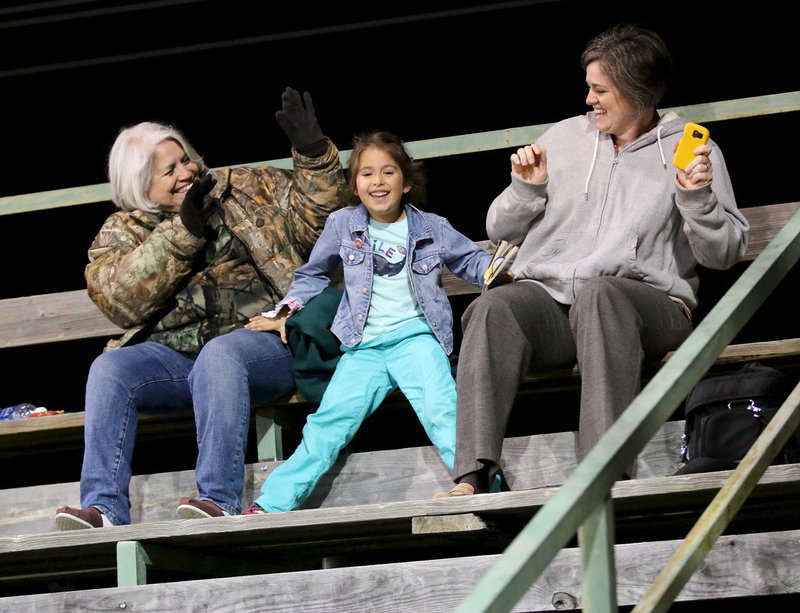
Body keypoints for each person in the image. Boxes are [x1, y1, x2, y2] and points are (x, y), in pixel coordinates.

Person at [436, 23, 749, 497]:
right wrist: (527, 189)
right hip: (558, 306)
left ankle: (601, 469)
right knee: (492, 307)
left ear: (635, 92)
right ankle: (474, 475)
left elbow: (723, 254)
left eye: (600, 90)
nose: (589, 100)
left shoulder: (689, 148)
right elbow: (498, 228)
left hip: (649, 308)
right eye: (589, 87)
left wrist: (696, 196)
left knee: (602, 295)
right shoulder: (564, 139)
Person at [55, 88, 347, 529]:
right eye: (168, 171)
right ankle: (105, 508)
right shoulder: (123, 230)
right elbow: (119, 300)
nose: (186, 172)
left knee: (222, 353)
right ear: (141, 188)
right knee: (110, 369)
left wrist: (312, 153)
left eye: (185, 160)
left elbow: (322, 222)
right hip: (179, 360)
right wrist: (184, 230)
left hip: (269, 344)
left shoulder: (244, 188)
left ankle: (219, 498)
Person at [242, 131, 498, 514]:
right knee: (327, 424)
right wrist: (284, 311)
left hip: (416, 338)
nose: (377, 182)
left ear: (406, 181)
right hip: (363, 348)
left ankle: (478, 484)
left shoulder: (431, 226)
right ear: (355, 184)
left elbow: (474, 263)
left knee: (442, 407)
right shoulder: (342, 224)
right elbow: (313, 275)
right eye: (366, 174)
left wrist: (500, 272)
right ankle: (271, 504)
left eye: (388, 172)